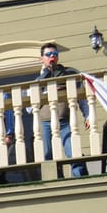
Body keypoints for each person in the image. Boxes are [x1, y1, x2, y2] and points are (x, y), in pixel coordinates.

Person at [33, 43, 88, 177]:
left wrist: (87, 115)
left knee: (72, 149)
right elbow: (30, 107)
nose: (52, 56)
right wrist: (46, 90)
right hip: (44, 122)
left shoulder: (69, 73)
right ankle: (52, 180)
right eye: (48, 54)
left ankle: (79, 177)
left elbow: (82, 97)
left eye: (55, 54)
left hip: (63, 120)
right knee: (47, 154)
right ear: (42, 59)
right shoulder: (39, 80)